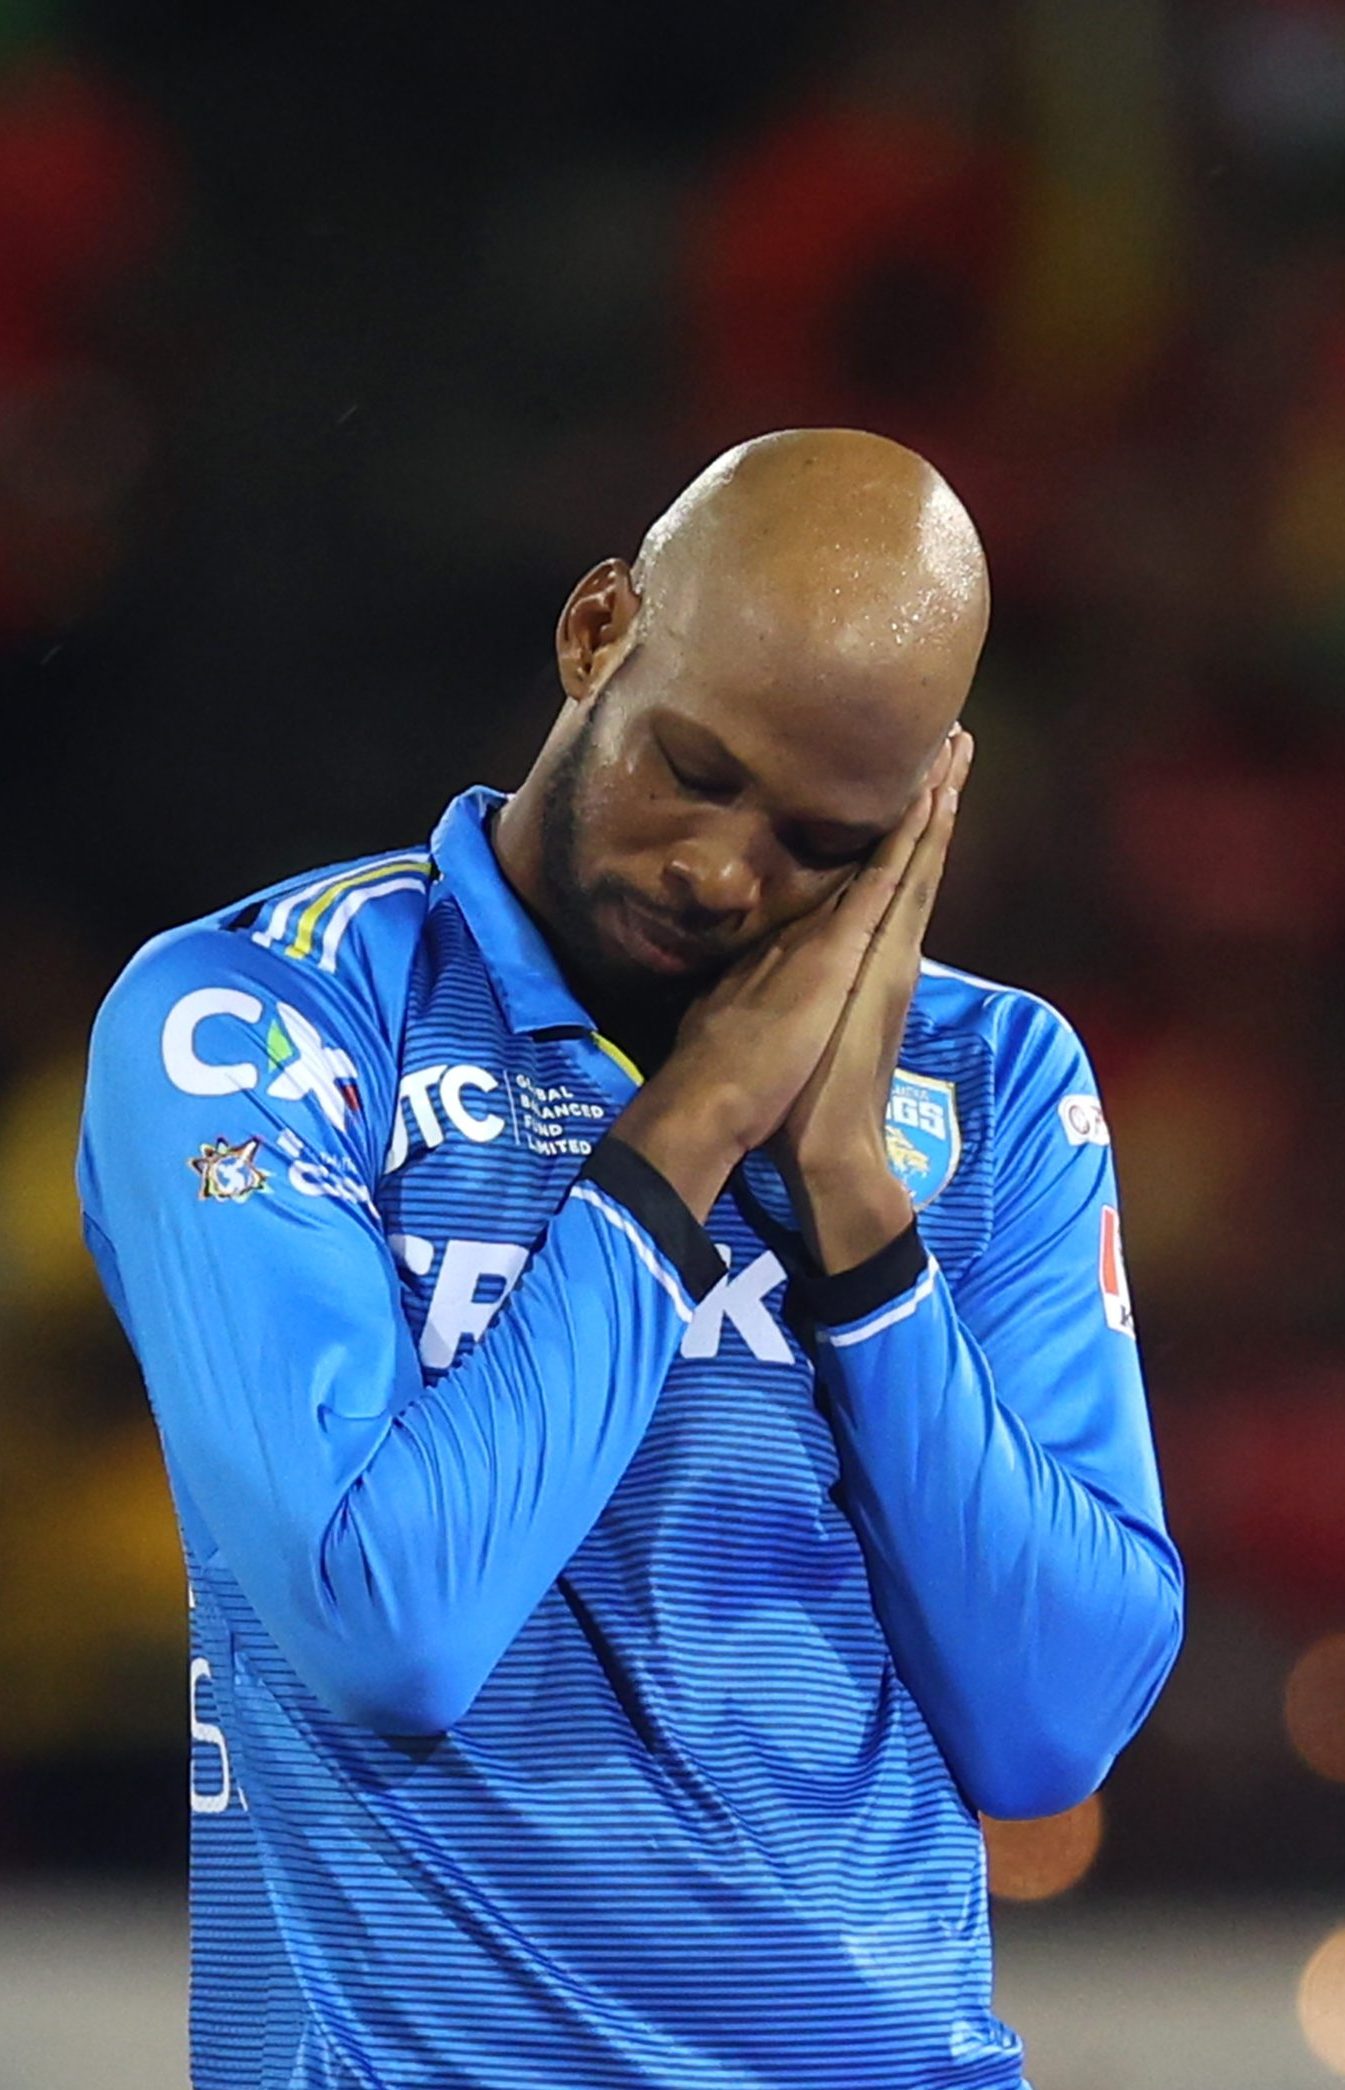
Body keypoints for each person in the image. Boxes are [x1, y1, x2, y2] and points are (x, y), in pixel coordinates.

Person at [78, 428, 1183, 2090]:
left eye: (823, 840)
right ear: (598, 629)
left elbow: (1051, 1728)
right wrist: (690, 1134)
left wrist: (859, 1221)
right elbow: (388, 1624)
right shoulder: (266, 1018)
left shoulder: (997, 1086)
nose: (720, 869)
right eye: (696, 767)